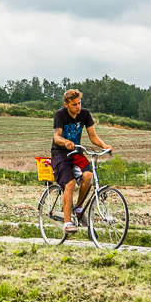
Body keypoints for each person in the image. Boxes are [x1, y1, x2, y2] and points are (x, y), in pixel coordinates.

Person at [51, 88, 113, 236]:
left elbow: (92, 136)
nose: (78, 107)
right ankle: (67, 223)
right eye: (74, 104)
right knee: (70, 184)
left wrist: (105, 146)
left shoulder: (84, 114)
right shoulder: (60, 115)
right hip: (60, 154)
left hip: (76, 153)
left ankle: (79, 209)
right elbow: (56, 137)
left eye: (79, 103)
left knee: (88, 176)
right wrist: (65, 142)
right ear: (66, 104)